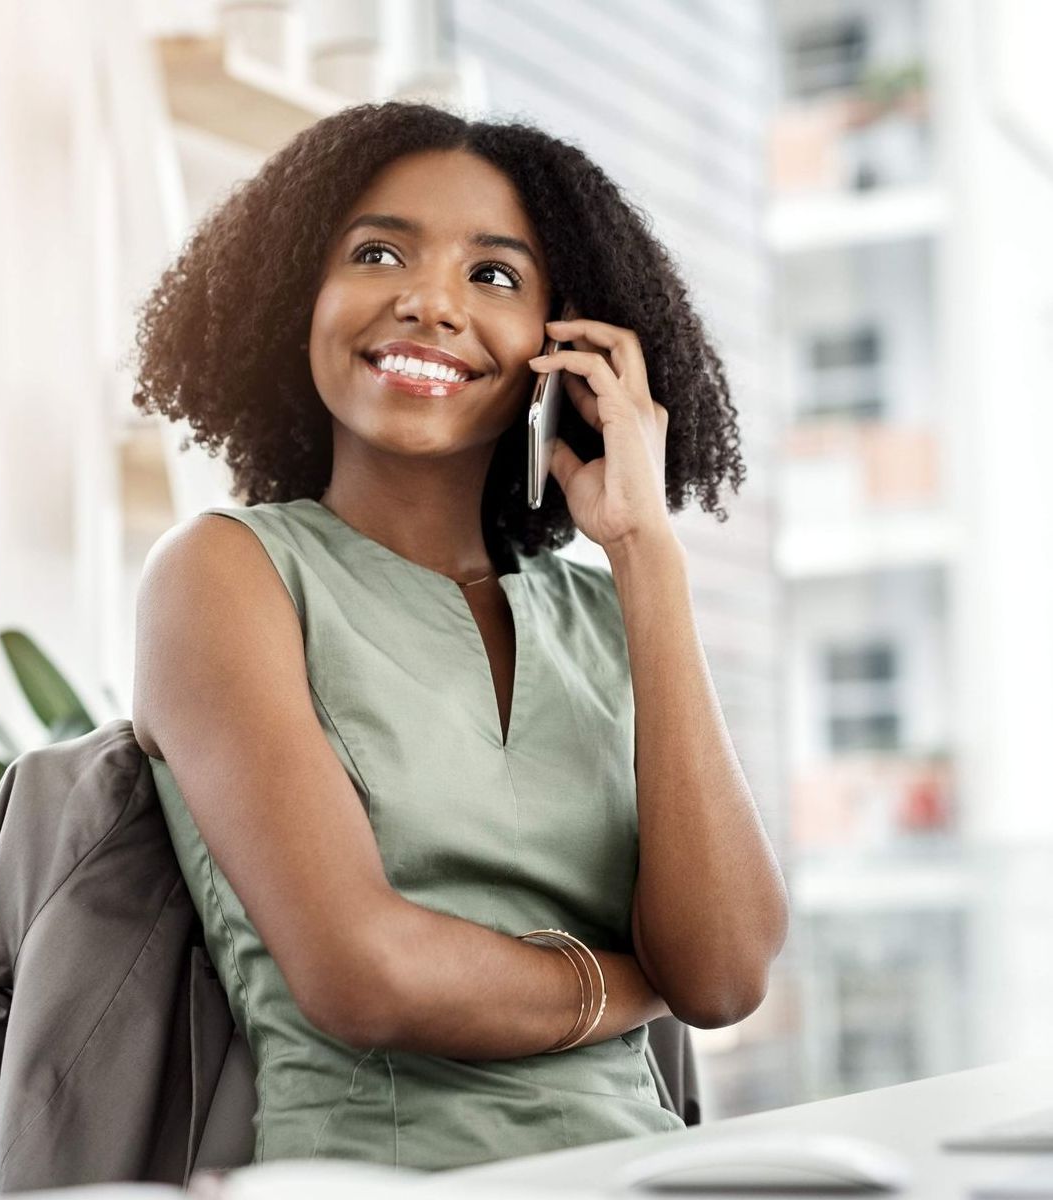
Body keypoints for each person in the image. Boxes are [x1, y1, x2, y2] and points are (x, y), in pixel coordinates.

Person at [126, 100, 788, 1171]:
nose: (430, 302)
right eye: (378, 252)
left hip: (643, 1172)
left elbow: (723, 973)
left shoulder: (604, 611)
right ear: (299, 296)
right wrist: (629, 981)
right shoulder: (224, 574)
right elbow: (365, 975)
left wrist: (647, 554)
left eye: (494, 276)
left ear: (560, 345)